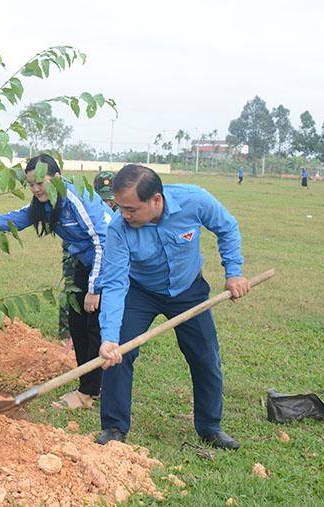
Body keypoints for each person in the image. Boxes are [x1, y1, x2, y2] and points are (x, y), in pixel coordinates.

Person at [92, 164, 249, 449]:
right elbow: (114, 283)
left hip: (188, 289)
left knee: (205, 356)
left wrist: (234, 272)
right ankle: (114, 428)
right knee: (119, 353)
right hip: (140, 292)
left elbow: (227, 228)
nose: (123, 214)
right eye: (120, 207)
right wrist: (109, 337)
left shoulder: (195, 200)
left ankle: (210, 427)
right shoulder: (118, 227)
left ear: (156, 200)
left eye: (131, 209)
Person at [0, 154, 112, 410]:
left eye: (41, 182)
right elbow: (11, 220)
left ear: (58, 178)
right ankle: (89, 383)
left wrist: (95, 288)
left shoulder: (75, 198)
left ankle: (88, 393)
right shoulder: (43, 204)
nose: (36, 188)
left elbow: (102, 241)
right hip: (86, 263)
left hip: (110, 263)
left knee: (95, 326)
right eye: (31, 184)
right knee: (77, 323)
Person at [58, 170, 118, 342]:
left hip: (109, 265)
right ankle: (65, 333)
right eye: (103, 198)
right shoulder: (87, 206)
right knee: (72, 291)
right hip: (82, 258)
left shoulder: (121, 211)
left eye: (111, 199)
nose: (108, 202)